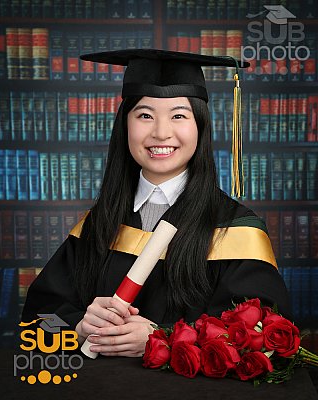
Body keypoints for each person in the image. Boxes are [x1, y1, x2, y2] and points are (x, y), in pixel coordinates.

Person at [22, 49, 291, 358]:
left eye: (178, 115)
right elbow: (38, 319)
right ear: (125, 125)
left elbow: (262, 341)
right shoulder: (99, 224)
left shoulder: (235, 229)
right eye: (145, 115)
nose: (161, 133)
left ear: (200, 126)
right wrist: (77, 327)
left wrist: (162, 340)